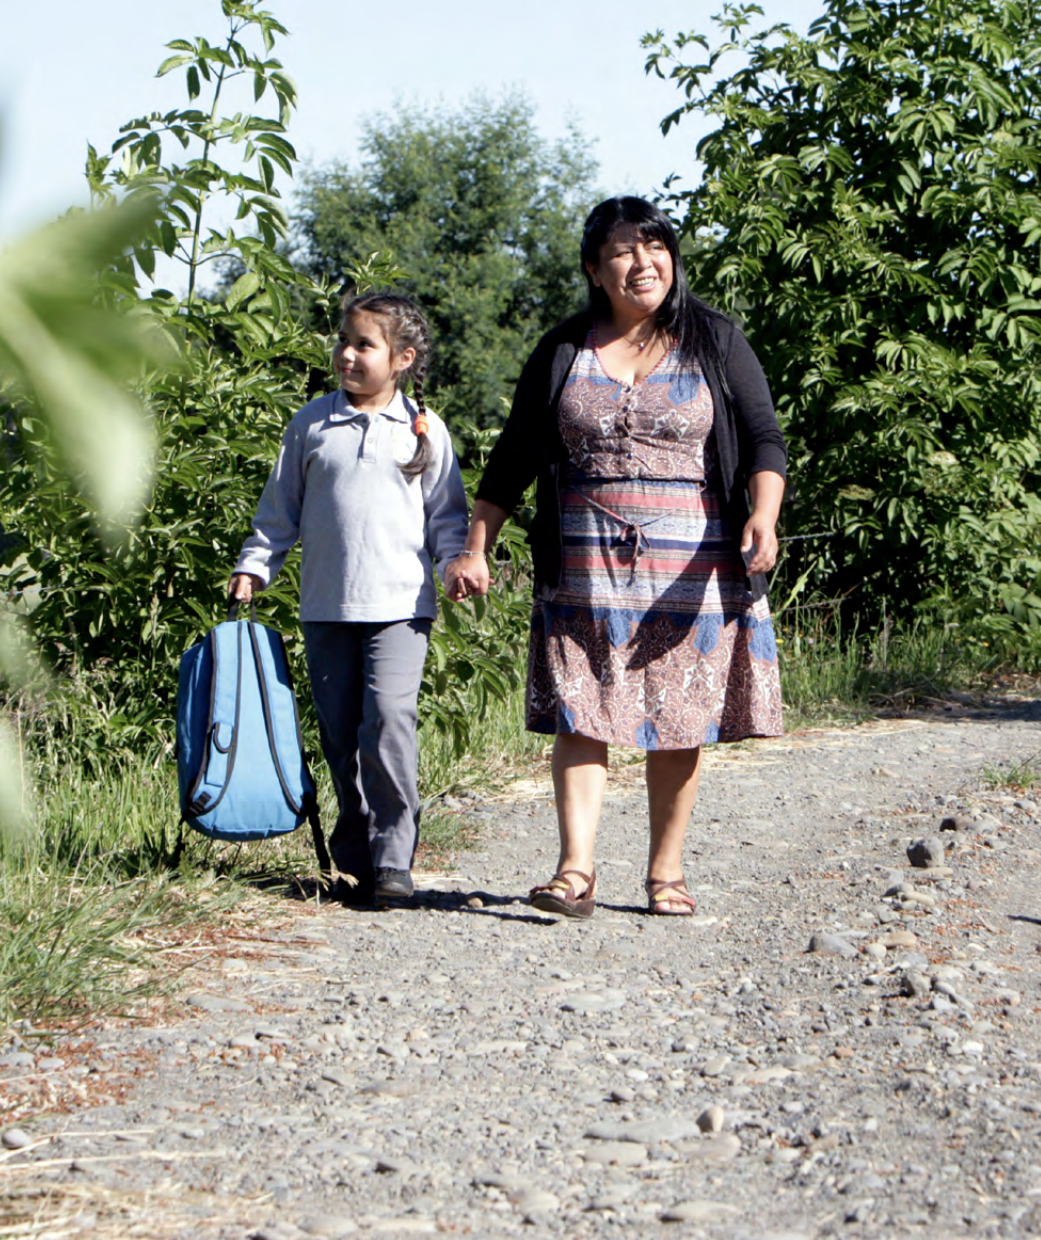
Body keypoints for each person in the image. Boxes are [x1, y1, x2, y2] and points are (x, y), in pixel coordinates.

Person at [446, 197, 786, 918]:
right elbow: (513, 455)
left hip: (693, 566)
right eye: (625, 251)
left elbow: (763, 439)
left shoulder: (715, 339)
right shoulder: (564, 349)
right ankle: (575, 872)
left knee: (679, 714)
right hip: (582, 560)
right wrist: (478, 545)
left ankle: (666, 873)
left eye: (655, 246)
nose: (644, 262)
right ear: (595, 271)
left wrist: (763, 514)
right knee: (582, 709)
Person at [229, 292, 468, 906]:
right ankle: (356, 850)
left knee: (387, 724)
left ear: (402, 359)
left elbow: (447, 517)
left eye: (364, 344)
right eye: (344, 340)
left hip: (400, 607)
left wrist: (455, 564)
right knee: (340, 734)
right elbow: (279, 511)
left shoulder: (423, 429)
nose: (347, 354)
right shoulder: (312, 424)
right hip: (327, 606)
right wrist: (256, 567)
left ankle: (394, 857)